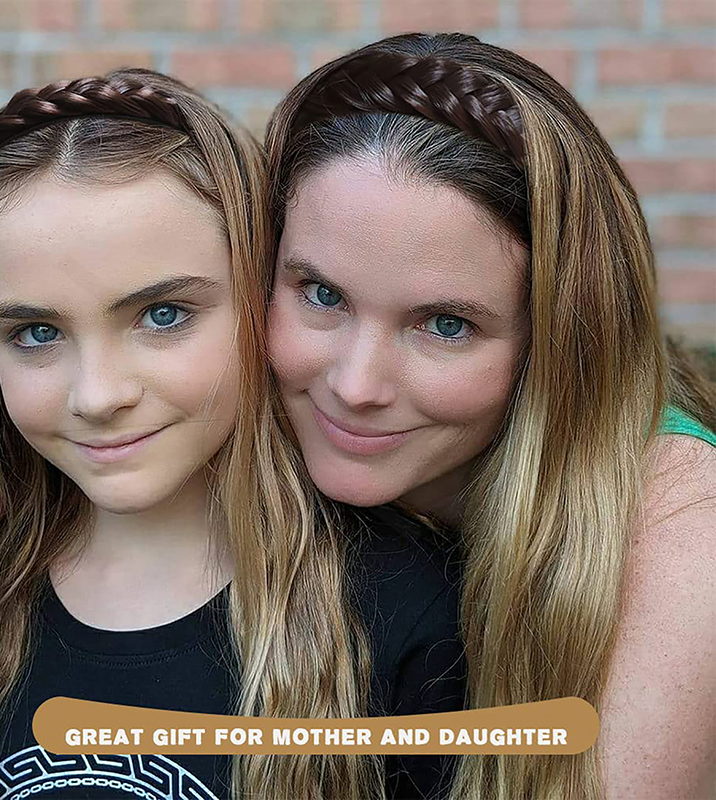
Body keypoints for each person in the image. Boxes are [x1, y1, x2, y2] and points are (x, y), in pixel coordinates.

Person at [0, 69, 464, 800]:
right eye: (37, 332)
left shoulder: (405, 612)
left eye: (163, 315)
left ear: (262, 300)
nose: (98, 395)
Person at [265, 32, 716, 800]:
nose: (356, 384)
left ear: (559, 340)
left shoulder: (682, 528)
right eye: (322, 294)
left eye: (445, 325)